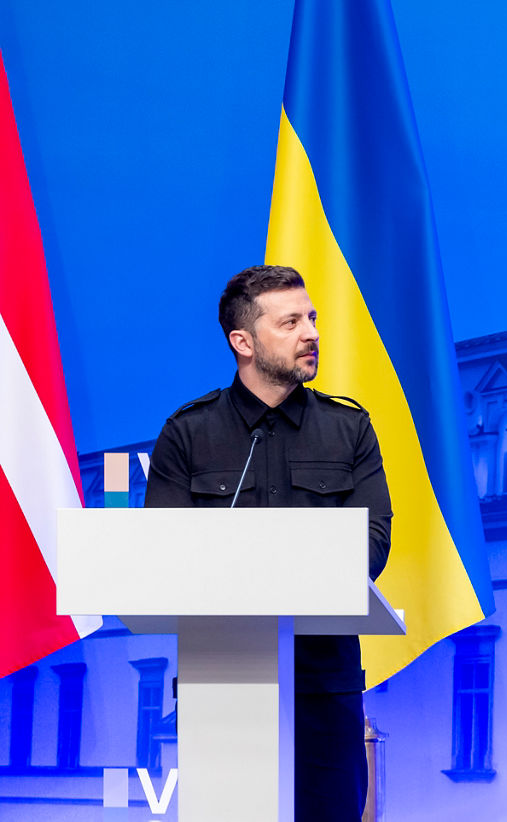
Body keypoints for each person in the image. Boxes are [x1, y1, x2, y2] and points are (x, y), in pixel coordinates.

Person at [144, 265, 392, 821]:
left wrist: (281, 571)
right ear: (244, 342)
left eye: (312, 318)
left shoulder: (349, 428)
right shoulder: (188, 433)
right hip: (222, 684)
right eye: (290, 322)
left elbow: (373, 542)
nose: (311, 333)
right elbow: (164, 553)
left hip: (323, 687)